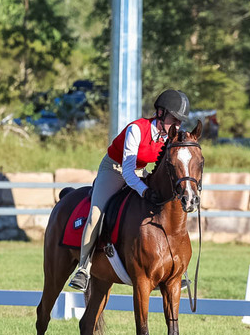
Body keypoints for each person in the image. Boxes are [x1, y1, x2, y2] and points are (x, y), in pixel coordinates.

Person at [68, 89, 191, 291]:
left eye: (180, 121)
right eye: (174, 119)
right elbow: (127, 170)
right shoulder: (137, 129)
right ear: (160, 113)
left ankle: (174, 269)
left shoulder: (168, 136)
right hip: (115, 169)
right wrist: (143, 190)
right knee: (96, 215)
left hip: (140, 172)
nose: (177, 125)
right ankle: (83, 268)